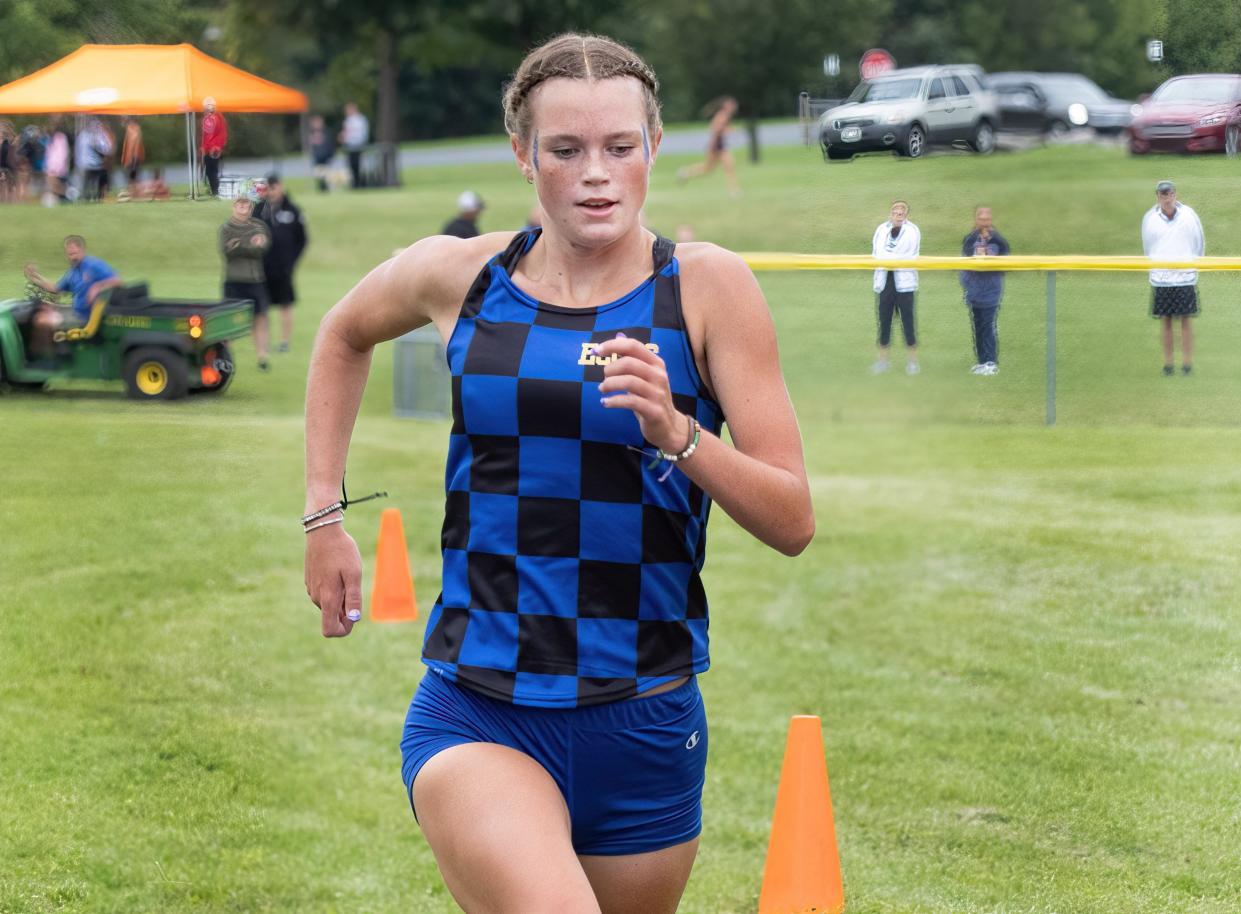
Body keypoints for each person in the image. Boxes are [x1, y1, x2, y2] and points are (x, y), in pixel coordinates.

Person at [303, 32, 813, 914]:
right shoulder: (461, 276)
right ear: (522, 153)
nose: (595, 175)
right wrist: (324, 515)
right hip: (479, 710)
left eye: (620, 147)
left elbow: (792, 519)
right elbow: (342, 334)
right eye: (566, 150)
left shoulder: (706, 289)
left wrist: (679, 432)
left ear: (654, 147)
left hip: (646, 718)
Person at [1142, 180, 1204, 376]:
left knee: (1186, 320)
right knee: (1166, 321)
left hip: (1185, 277)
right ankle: (1168, 365)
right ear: (1158, 197)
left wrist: (1192, 266)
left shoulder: (1189, 216)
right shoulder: (1150, 218)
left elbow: (1198, 243)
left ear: (1175, 195)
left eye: (1170, 194)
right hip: (1162, 278)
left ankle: (1187, 365)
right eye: (1163, 195)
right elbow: (1148, 247)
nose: (1167, 198)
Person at [23, 235, 122, 356]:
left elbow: (117, 281)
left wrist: (97, 287)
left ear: (82, 251)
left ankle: (47, 357)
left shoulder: (93, 265)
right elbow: (55, 289)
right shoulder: (72, 272)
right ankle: (51, 351)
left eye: (75, 253)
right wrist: (35, 277)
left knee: (41, 320)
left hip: (84, 318)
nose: (72, 257)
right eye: (70, 254)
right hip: (75, 311)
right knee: (42, 310)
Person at [254, 174, 308, 353]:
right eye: (268, 188)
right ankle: (265, 343)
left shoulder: (293, 210)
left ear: (281, 187)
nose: (271, 192)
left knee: (286, 304)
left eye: (274, 187)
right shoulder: (259, 209)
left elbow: (302, 239)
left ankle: (284, 342)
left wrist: (292, 261)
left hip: (284, 269)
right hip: (262, 268)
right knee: (263, 307)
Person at [219, 188, 272, 369]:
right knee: (228, 321)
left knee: (261, 318)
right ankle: (224, 359)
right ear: (234, 207)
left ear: (250, 207)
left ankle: (262, 359)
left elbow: (262, 249)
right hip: (234, 280)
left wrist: (240, 245)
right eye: (240, 204)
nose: (243, 207)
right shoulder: (225, 228)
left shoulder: (258, 226)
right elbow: (228, 252)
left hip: (255, 280)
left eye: (246, 204)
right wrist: (249, 244)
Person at [871, 200, 921, 374]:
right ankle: (883, 362)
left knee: (908, 322)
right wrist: (887, 259)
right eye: (895, 211)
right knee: (884, 322)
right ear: (890, 213)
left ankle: (913, 362)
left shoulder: (912, 231)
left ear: (906, 214)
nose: (898, 214)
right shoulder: (881, 229)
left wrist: (890, 258)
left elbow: (908, 254)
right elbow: (876, 253)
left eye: (902, 211)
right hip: (885, 281)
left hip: (904, 283)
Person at [959, 206, 1010, 375]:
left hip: (991, 290)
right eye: (981, 218)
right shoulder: (970, 239)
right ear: (976, 220)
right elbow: (963, 263)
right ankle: (981, 361)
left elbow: (1007, 264)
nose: (984, 221)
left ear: (991, 220)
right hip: (974, 290)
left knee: (988, 325)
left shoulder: (998, 241)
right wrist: (966, 285)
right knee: (978, 326)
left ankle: (991, 362)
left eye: (987, 218)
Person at [675, 97, 740, 197]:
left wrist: (729, 130)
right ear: (726, 106)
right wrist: (728, 131)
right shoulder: (722, 115)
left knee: (714, 168)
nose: (733, 107)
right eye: (731, 105)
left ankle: (685, 173)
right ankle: (733, 191)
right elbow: (715, 128)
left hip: (720, 145)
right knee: (720, 168)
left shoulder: (725, 116)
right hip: (717, 145)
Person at [201, 97, 229, 197]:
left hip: (211, 150)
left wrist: (205, 147)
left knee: (210, 171)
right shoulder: (221, 118)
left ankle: (214, 191)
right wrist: (220, 146)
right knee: (214, 171)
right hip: (217, 149)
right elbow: (223, 134)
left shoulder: (210, 118)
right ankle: (215, 191)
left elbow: (208, 135)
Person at [339, 102, 369, 189]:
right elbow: (345, 133)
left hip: (358, 145)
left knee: (358, 165)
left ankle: (360, 183)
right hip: (349, 145)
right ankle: (354, 183)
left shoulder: (360, 120)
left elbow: (360, 133)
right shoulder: (348, 120)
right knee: (351, 165)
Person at [307, 115, 335, 193]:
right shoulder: (312, 133)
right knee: (318, 173)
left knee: (325, 173)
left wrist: (330, 154)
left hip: (325, 155)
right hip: (317, 156)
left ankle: (325, 187)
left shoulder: (326, 132)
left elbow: (330, 144)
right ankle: (321, 187)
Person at [121, 116, 144, 189]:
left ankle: (133, 187)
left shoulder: (134, 128)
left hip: (134, 155)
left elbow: (135, 142)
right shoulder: (131, 128)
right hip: (132, 155)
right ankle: (133, 186)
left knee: (133, 171)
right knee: (132, 171)